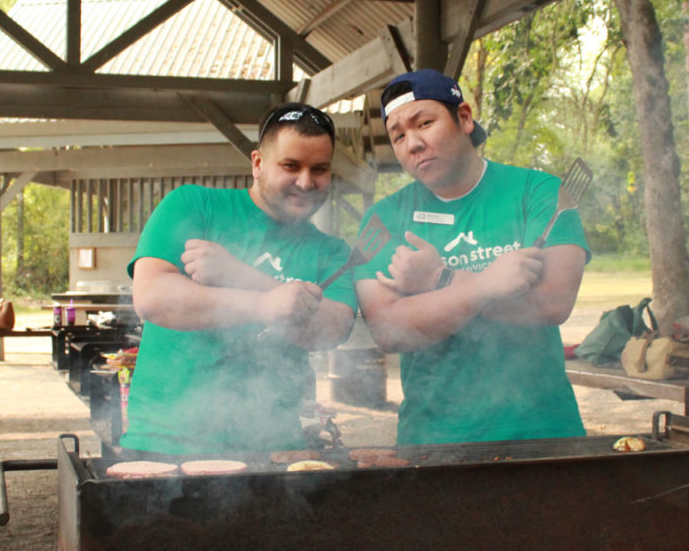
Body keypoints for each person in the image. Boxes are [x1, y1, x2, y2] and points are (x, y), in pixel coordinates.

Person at [353, 69, 590, 445]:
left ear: (463, 118)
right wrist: (484, 285)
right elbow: (389, 329)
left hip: (543, 433)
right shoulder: (385, 219)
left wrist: (440, 279)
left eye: (424, 123)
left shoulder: (537, 192)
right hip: (432, 441)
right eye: (398, 136)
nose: (412, 143)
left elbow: (551, 302)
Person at [122, 103, 357, 455]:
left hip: (274, 449)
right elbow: (153, 297)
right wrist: (266, 304)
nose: (306, 182)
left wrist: (241, 276)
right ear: (258, 163)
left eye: (319, 169)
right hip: (164, 444)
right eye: (291, 166)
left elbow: (333, 327)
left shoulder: (333, 252)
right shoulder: (193, 205)